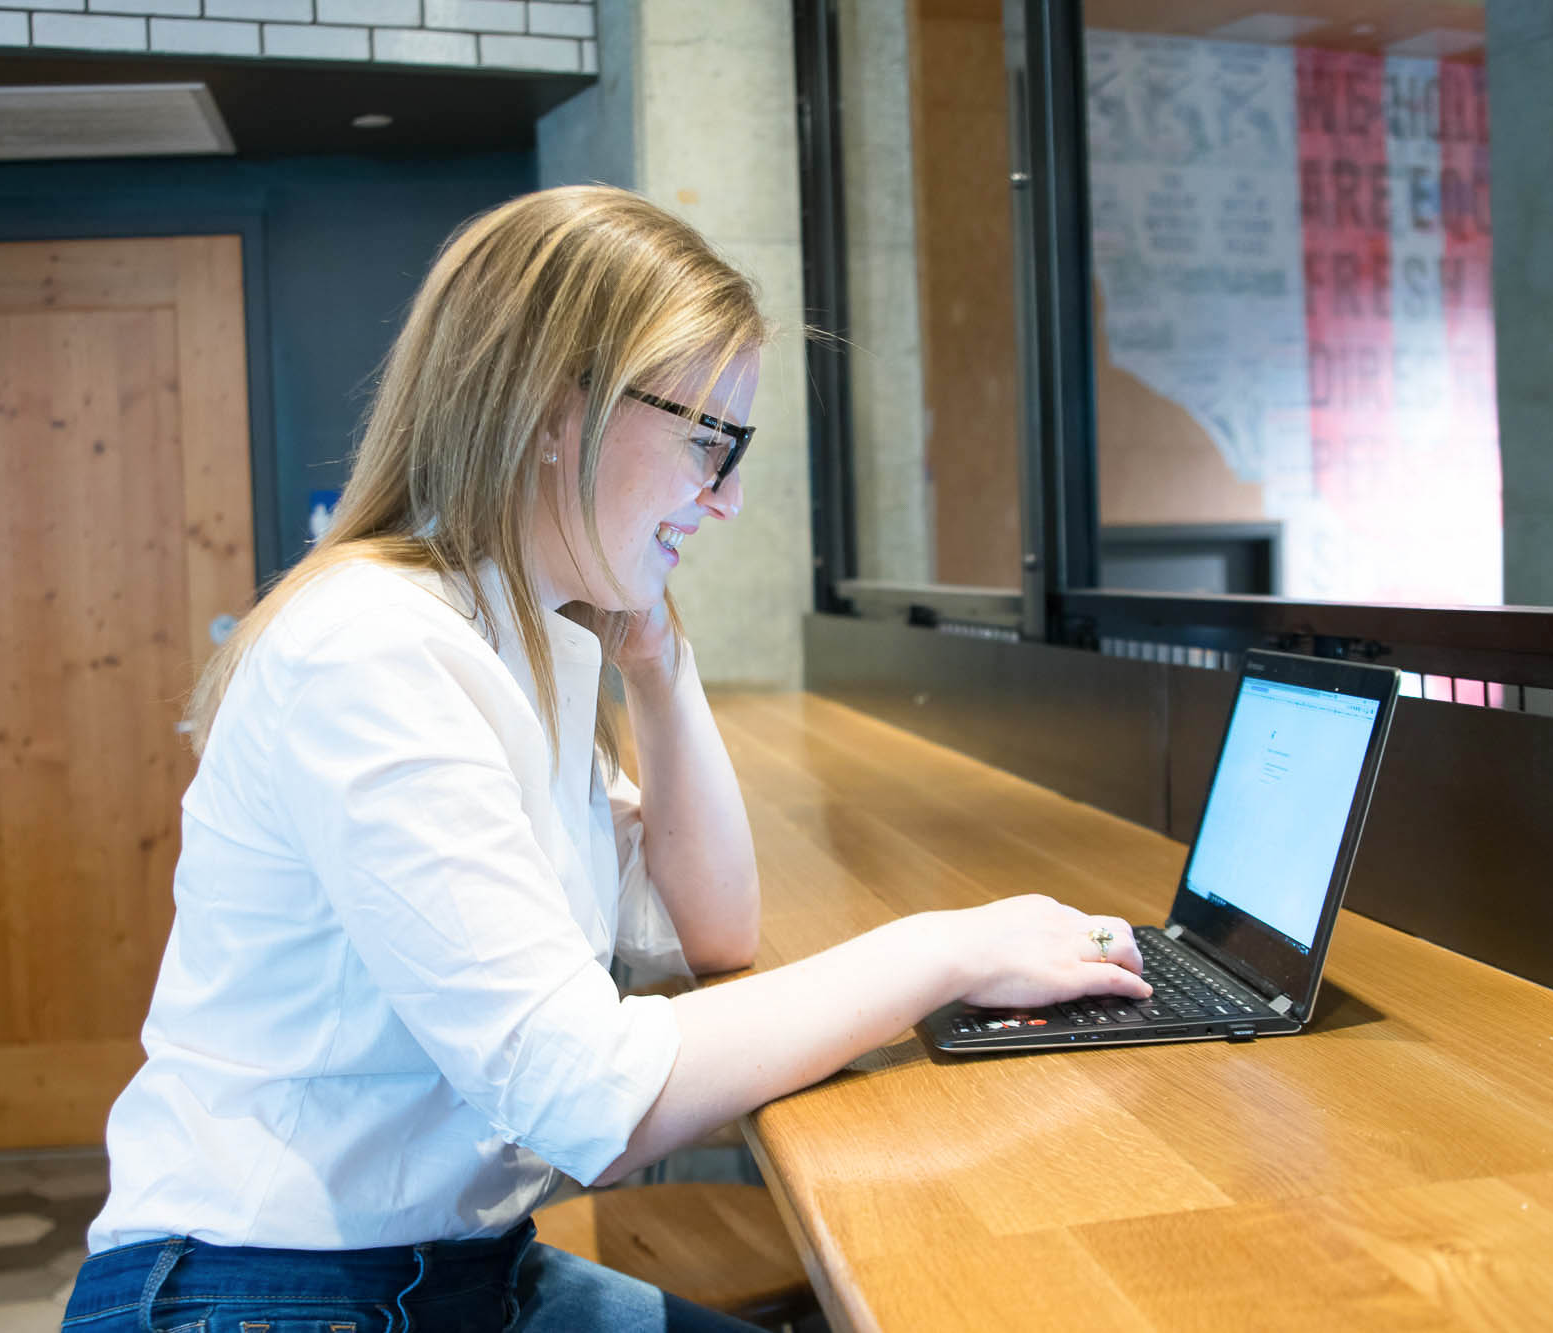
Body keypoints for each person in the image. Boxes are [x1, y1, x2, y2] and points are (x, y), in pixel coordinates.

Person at [61, 185, 1152, 1333]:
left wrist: (658, 661)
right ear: (549, 408)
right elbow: (592, 1101)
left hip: (449, 1270)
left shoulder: (518, 634)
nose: (723, 500)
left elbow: (709, 926)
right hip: (263, 1289)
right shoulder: (371, 649)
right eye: (705, 442)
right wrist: (945, 950)